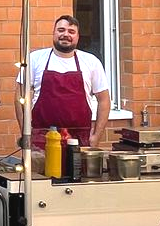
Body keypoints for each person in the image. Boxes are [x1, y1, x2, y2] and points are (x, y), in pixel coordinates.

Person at [16, 14, 111, 147]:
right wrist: (25, 133)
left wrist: (96, 136)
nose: (66, 34)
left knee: (77, 168)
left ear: (77, 36)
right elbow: (20, 97)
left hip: (79, 139)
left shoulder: (91, 62)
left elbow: (104, 100)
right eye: (61, 30)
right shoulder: (35, 59)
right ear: (53, 33)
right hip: (41, 138)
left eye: (71, 31)